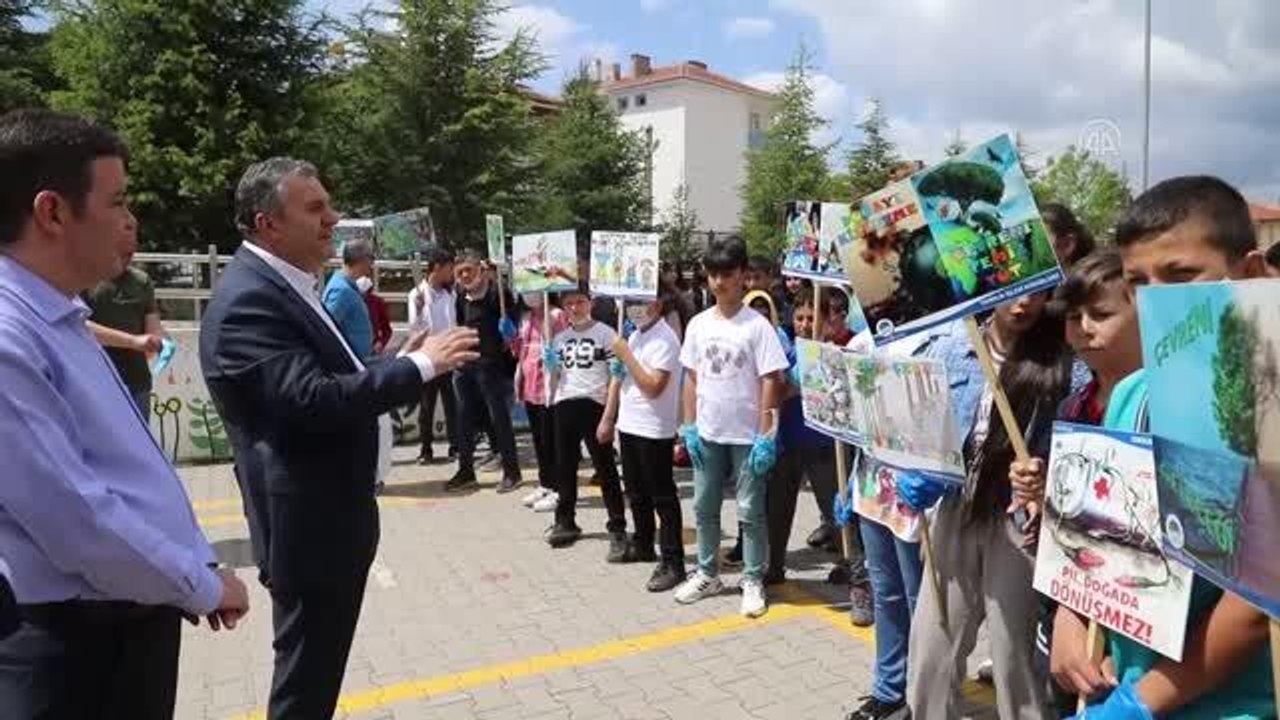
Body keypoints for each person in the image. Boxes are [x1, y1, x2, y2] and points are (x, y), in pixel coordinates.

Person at [199, 156, 480, 719]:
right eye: (315, 208)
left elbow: (332, 375)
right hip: (309, 532)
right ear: (267, 223)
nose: (333, 218)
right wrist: (419, 368)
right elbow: (312, 401)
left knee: (315, 682)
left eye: (328, 203)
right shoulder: (248, 302)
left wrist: (394, 357)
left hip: (328, 526)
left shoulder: (290, 284)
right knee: (303, 689)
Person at [0, 108, 249, 719]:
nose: (129, 220)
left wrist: (191, 561)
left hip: (116, 624)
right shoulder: (9, 336)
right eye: (116, 201)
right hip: (73, 648)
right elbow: (78, 518)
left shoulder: (58, 316)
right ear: (52, 212)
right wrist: (199, 582)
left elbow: (123, 467)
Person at [1052, 176, 1274, 720]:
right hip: (1121, 681)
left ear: (1247, 274)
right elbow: (1094, 531)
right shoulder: (1132, 392)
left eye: (1181, 276)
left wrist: (1143, 701)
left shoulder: (1267, 403)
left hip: (1232, 707)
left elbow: (1258, 593)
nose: (1159, 298)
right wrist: (1068, 618)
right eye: (1139, 282)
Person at [898, 291, 1086, 720]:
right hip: (955, 510)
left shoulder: (1065, 366)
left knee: (1013, 656)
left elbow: (1080, 449)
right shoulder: (950, 349)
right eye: (1015, 292)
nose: (1024, 304)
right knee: (932, 647)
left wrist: (1047, 476)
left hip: (1020, 522)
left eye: (1037, 293)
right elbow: (922, 431)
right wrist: (919, 472)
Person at [1005, 249, 1144, 717]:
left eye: (1101, 315)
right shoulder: (1071, 408)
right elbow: (1071, 520)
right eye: (1073, 316)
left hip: (1138, 626)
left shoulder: (1166, 412)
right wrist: (1039, 490)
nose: (1083, 328)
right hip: (1069, 607)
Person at [674, 236, 788, 618]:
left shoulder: (757, 326)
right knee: (704, 507)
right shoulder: (697, 324)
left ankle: (752, 578)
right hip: (707, 432)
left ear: (743, 276)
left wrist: (765, 435)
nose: (720, 282)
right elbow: (690, 377)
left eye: (728, 274)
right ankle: (708, 572)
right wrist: (688, 427)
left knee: (750, 510)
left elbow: (772, 380)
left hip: (746, 436)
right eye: (713, 274)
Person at [597, 290, 686, 590]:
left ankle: (673, 561)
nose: (635, 310)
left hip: (654, 428)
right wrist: (609, 417)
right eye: (631, 303)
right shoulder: (634, 335)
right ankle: (644, 542)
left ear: (657, 305)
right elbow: (622, 379)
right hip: (630, 424)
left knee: (662, 496)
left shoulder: (666, 339)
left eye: (641, 303)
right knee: (635, 491)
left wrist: (626, 355)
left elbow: (653, 386)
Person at [542, 281, 626, 554]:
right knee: (564, 467)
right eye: (569, 304)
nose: (575, 308)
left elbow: (616, 375)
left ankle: (617, 526)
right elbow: (555, 378)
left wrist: (610, 416)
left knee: (605, 470)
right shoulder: (559, 338)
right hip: (565, 403)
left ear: (590, 303)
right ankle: (565, 521)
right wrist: (550, 369)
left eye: (579, 302)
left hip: (595, 404)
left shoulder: (606, 334)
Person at [449, 248, 521, 492]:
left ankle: (512, 472)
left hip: (491, 366)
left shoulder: (497, 293)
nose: (465, 275)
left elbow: (514, 323)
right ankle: (466, 471)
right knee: (464, 419)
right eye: (460, 272)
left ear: (480, 270)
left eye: (469, 270)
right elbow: (460, 325)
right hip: (466, 365)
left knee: (499, 418)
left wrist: (508, 327)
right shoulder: (460, 296)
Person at [84, 251, 167, 420]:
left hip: (137, 382)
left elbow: (153, 330)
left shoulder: (142, 281)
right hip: (97, 382)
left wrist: (158, 342)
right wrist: (133, 341)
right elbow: (78, 325)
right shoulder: (85, 278)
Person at [516, 292, 569, 512]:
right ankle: (545, 483)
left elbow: (565, 345)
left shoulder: (556, 315)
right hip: (531, 386)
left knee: (552, 440)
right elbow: (520, 350)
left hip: (550, 388)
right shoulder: (526, 317)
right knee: (538, 439)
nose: (530, 295)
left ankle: (559, 489)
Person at [408, 246, 459, 464]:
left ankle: (455, 446)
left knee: (452, 404)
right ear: (437, 267)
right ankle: (426, 449)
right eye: (449, 268)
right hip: (427, 356)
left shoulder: (451, 294)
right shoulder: (416, 294)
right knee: (427, 405)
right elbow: (414, 329)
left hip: (448, 354)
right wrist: (419, 309)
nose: (452, 272)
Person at [323, 237, 376, 359]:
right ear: (362, 259)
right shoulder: (341, 290)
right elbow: (326, 330)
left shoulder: (347, 286)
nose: (372, 263)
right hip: (350, 363)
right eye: (371, 258)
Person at [359, 276, 392, 354]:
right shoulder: (350, 300)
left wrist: (381, 342)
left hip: (373, 348)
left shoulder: (378, 302)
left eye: (367, 293)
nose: (364, 296)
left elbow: (386, 329)